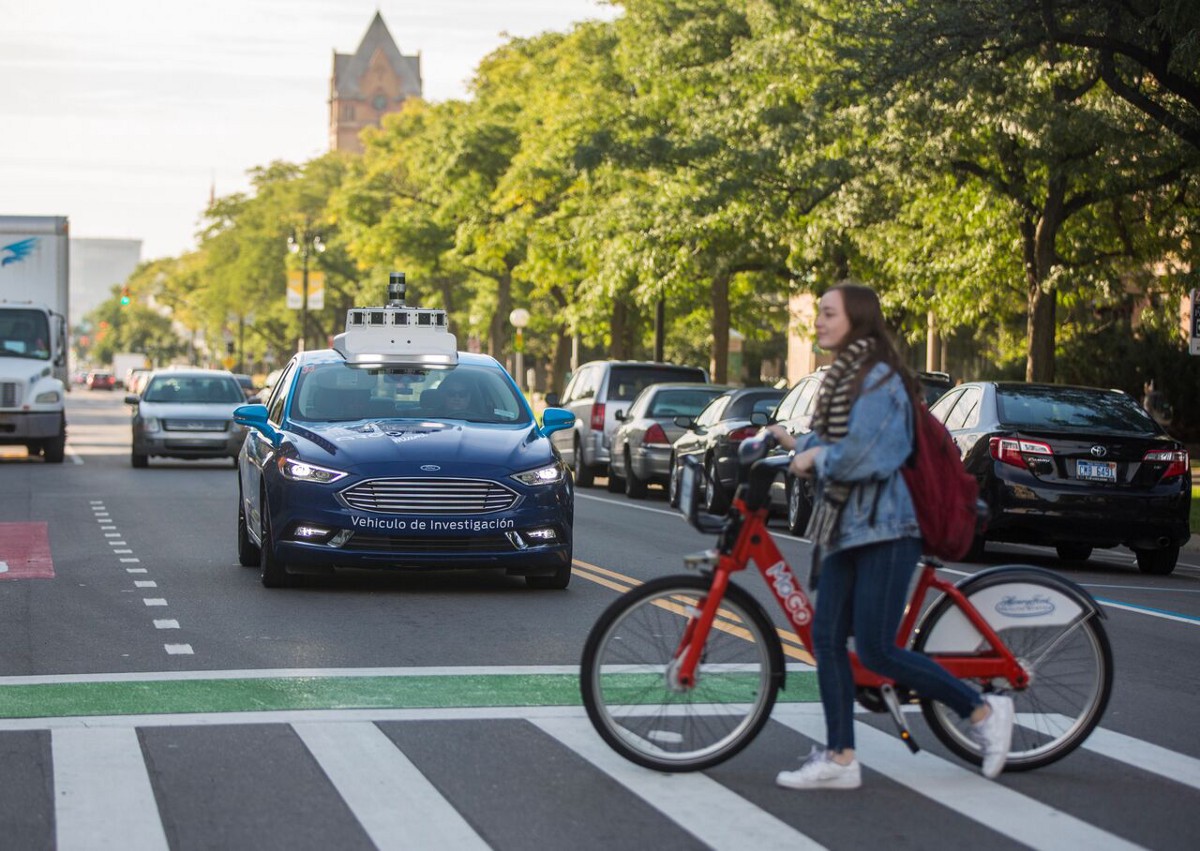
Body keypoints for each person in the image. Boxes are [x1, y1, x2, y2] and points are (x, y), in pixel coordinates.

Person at [766, 282, 1014, 791]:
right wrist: (791, 442)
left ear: (856, 320)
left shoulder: (878, 379)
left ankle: (983, 712)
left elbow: (875, 453)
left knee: (877, 651)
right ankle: (840, 757)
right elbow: (838, 437)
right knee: (827, 640)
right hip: (843, 528)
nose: (818, 322)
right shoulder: (845, 377)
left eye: (828, 314)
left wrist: (817, 458)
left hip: (884, 529)